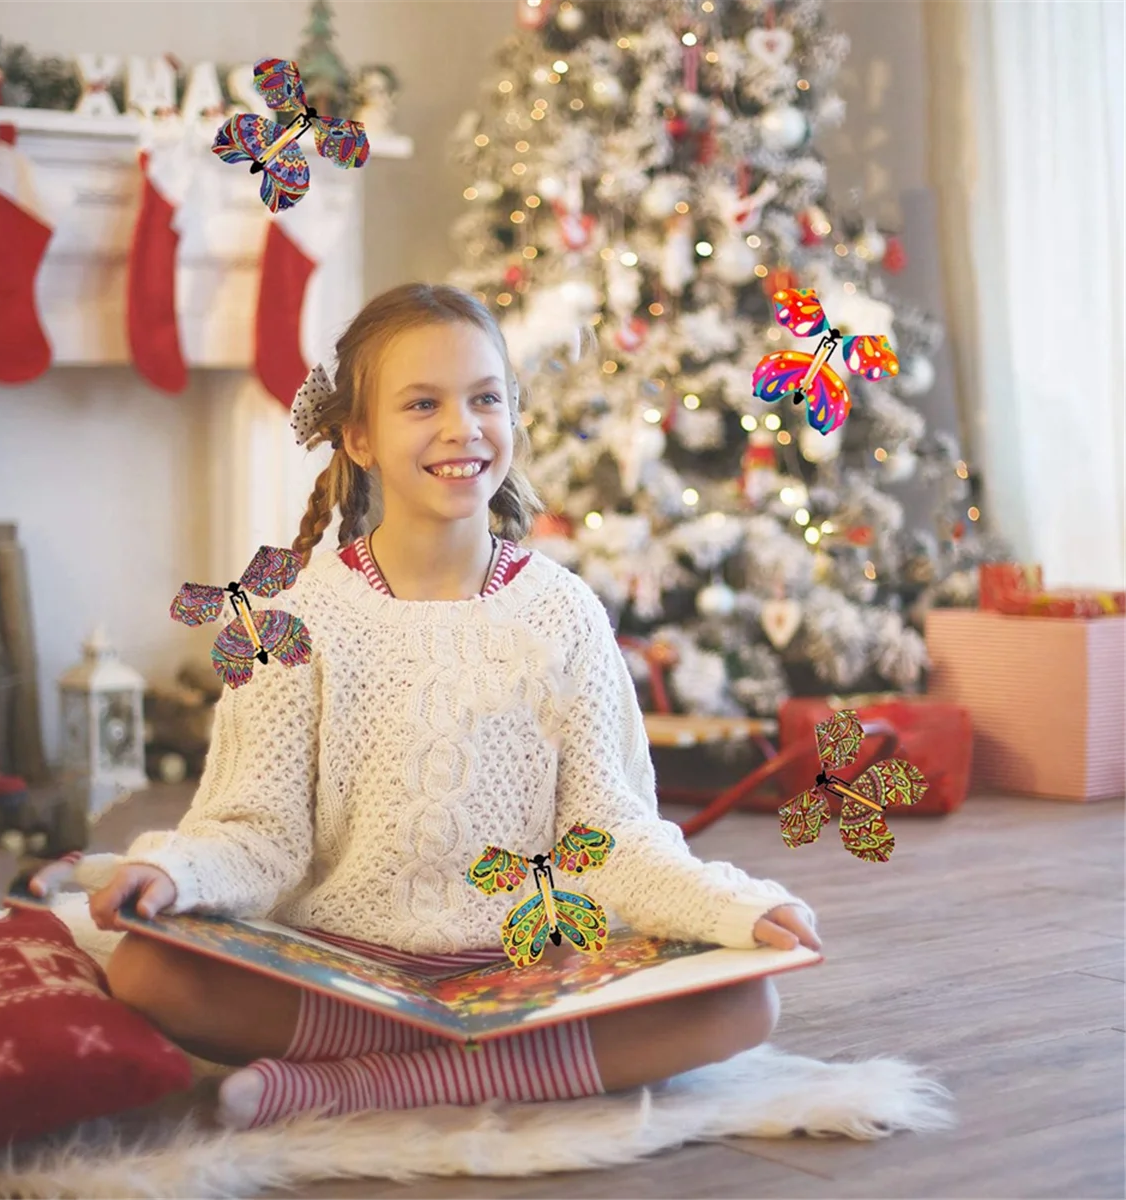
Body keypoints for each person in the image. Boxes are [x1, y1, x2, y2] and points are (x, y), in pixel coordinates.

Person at [79, 282, 821, 1131]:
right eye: (422, 403)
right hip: (337, 971)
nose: (462, 428)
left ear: (513, 416)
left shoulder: (563, 612)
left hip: (524, 973)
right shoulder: (296, 619)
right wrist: (177, 872)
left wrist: (734, 905)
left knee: (744, 1006)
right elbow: (258, 833)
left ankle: (357, 1086)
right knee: (145, 972)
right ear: (358, 437)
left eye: (485, 399)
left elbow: (609, 837)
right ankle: (476, 1070)